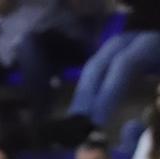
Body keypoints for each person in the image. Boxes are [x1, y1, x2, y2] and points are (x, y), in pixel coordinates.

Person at [0, 0, 107, 125]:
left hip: (61, 40)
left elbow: (91, 8)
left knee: (28, 47)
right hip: (8, 45)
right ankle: (4, 119)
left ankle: (39, 125)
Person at [62, 0, 160, 137]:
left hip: (156, 34)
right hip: (131, 31)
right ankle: (78, 117)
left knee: (123, 62)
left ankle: (95, 127)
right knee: (96, 63)